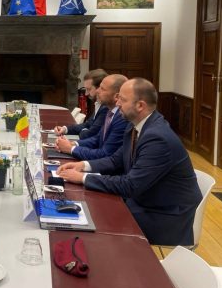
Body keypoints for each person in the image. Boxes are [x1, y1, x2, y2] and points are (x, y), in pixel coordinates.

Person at [57, 78, 202, 246]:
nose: (117, 103)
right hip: (143, 201)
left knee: (96, 219)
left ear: (140, 105)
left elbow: (130, 185)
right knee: (91, 209)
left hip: (165, 216)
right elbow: (116, 160)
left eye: (123, 99)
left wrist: (82, 178)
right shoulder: (135, 125)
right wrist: (82, 166)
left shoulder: (158, 138)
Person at [55, 74, 128, 160]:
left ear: (116, 96)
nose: (97, 91)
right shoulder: (111, 112)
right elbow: (97, 139)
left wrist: (70, 149)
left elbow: (105, 154)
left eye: (102, 89)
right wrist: (73, 144)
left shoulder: (122, 118)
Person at [54, 69, 108, 139]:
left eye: (89, 89)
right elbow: (87, 125)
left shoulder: (106, 108)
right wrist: (65, 129)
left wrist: (84, 131)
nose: (86, 94)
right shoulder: (99, 104)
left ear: (100, 88)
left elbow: (90, 134)